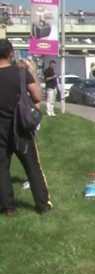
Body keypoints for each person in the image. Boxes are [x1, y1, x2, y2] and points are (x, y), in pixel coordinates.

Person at [0, 40, 52, 216]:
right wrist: (31, 111)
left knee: (2, 169)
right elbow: (37, 96)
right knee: (32, 166)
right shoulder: (20, 73)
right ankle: (42, 205)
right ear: (10, 53)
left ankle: (8, 208)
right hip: (20, 127)